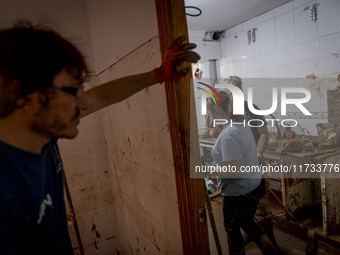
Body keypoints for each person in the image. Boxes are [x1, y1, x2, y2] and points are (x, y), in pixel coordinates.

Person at [0, 21, 200, 254]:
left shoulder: (41, 131)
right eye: (73, 92)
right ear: (23, 96)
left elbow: (102, 97)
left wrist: (158, 74)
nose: (84, 103)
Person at [208, 90, 280, 255]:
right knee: (249, 223)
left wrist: (211, 169)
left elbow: (233, 170)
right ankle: (272, 252)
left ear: (216, 110)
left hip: (238, 193)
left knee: (233, 233)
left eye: (210, 111)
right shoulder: (242, 125)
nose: (210, 115)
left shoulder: (229, 135)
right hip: (254, 186)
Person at [226, 76, 279, 249]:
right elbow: (214, 133)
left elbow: (264, 133)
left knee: (262, 209)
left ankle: (271, 242)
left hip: (253, 168)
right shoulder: (222, 111)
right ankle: (248, 233)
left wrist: (258, 152)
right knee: (241, 215)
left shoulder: (251, 108)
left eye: (240, 90)